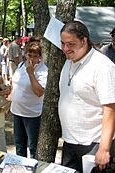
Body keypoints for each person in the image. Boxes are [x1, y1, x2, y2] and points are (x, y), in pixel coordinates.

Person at [59, 21, 115, 173]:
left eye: (70, 44)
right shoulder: (69, 61)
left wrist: (104, 148)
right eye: (63, 43)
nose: (65, 49)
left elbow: (110, 109)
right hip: (70, 142)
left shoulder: (103, 67)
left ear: (84, 40)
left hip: (93, 144)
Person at [9, 37, 48, 159]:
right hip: (16, 111)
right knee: (19, 145)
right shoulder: (21, 65)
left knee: (32, 146)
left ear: (40, 57)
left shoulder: (43, 70)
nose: (31, 58)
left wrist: (31, 73)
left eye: (35, 56)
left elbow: (39, 92)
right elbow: (15, 83)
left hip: (32, 114)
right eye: (29, 54)